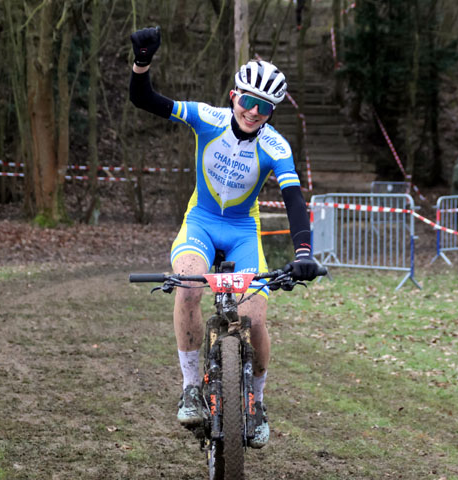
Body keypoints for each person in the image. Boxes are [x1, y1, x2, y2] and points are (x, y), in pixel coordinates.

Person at [128, 26, 320, 449]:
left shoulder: (276, 146)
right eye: (249, 101)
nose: (253, 112)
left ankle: (257, 399)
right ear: (234, 94)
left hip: (241, 233)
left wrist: (304, 251)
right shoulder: (206, 117)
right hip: (200, 223)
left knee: (253, 318)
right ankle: (192, 386)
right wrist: (142, 62)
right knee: (190, 288)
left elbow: (293, 199)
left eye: (264, 108)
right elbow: (144, 100)